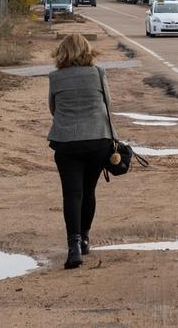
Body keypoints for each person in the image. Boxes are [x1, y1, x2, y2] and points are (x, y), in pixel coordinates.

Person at [47, 34, 115, 269]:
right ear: (87, 50)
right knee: (89, 191)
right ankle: (85, 238)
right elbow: (108, 105)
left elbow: (53, 109)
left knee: (72, 194)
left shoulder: (55, 77)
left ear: (62, 52)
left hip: (66, 143)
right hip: (98, 140)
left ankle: (73, 246)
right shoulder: (98, 73)